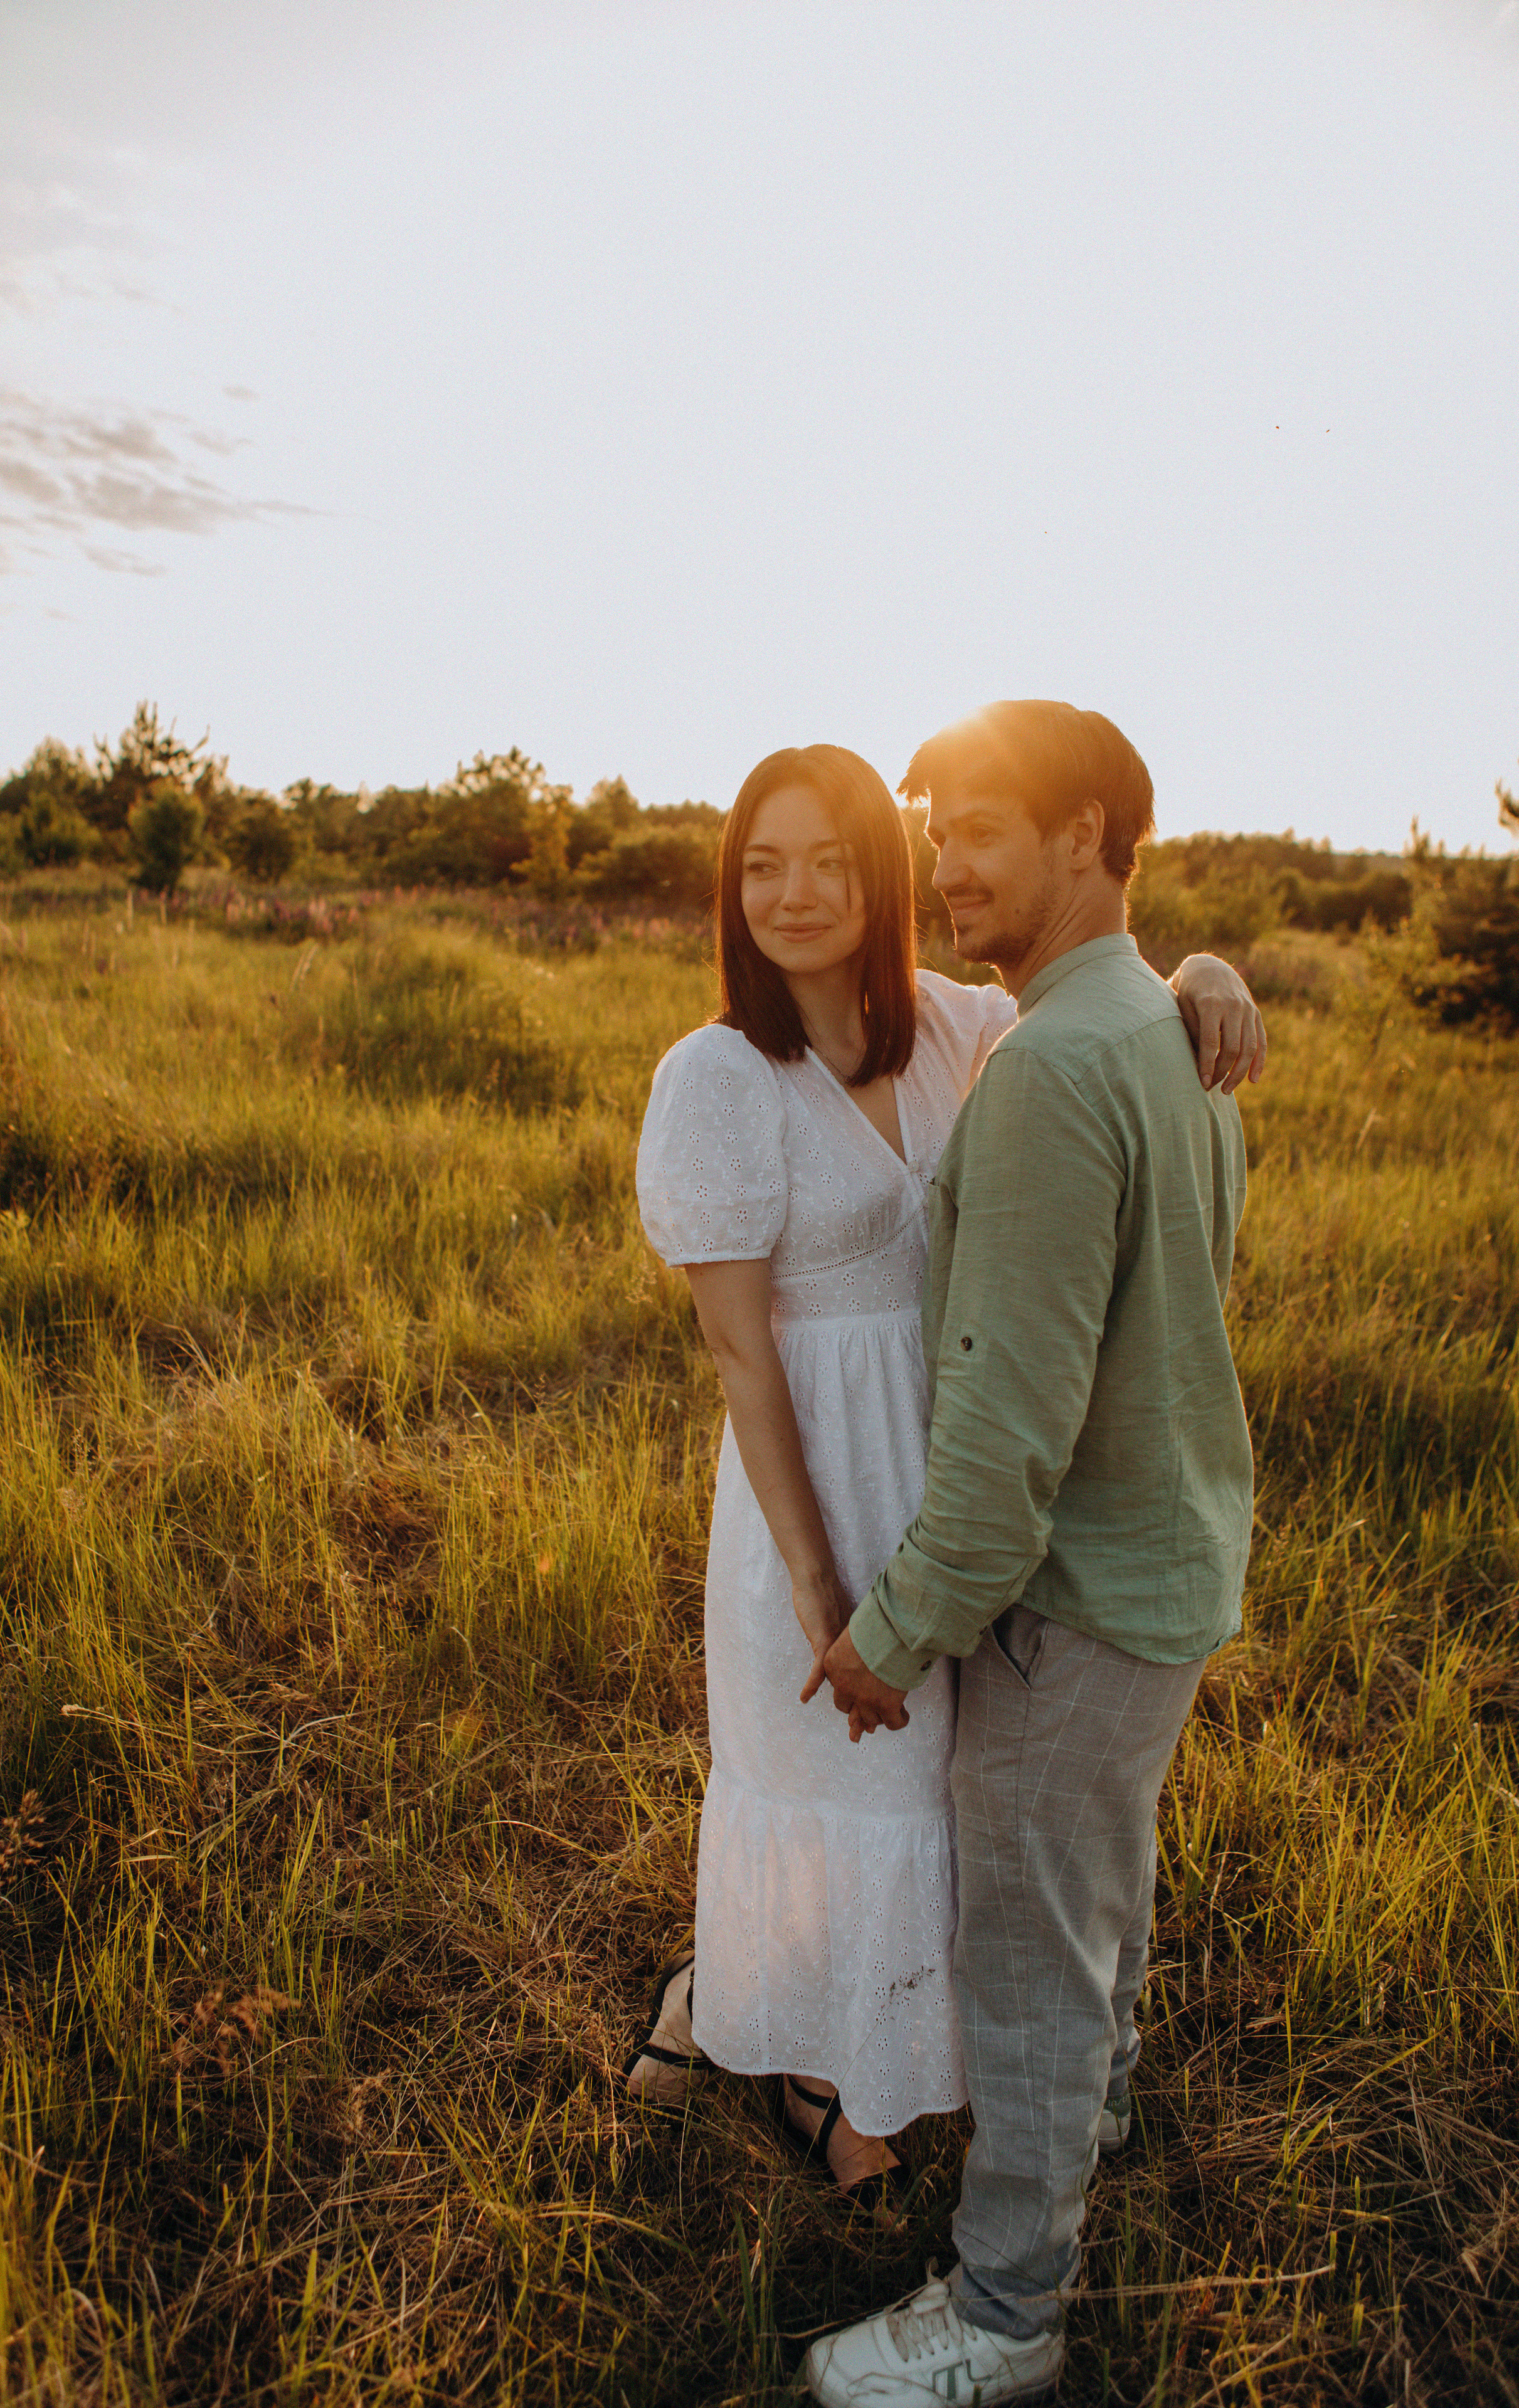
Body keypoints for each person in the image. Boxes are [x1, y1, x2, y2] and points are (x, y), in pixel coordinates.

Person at [628, 739, 1263, 2201]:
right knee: (835, 1787)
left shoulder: (954, 1023)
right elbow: (739, 1359)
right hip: (819, 1489)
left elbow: (1097, 989)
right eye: (762, 864)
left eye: (831, 859)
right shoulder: (717, 1077)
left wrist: (1203, 973)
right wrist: (812, 1582)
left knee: (937, 1804)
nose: (794, 893)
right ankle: (777, 2040)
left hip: (966, 1483)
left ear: (884, 873)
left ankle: (866, 2040)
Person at [805, 703, 1257, 2404]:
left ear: (1087, 840)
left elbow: (1006, 1450)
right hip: (1164, 1573)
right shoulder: (1156, 1026)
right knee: (1090, 1922)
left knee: (1031, 1957)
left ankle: (1003, 2320)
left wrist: (889, 1636)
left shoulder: (1065, 1066)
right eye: (938, 827)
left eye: (980, 824)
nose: (944, 862)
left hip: (1081, 1605)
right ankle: (1084, 2136)